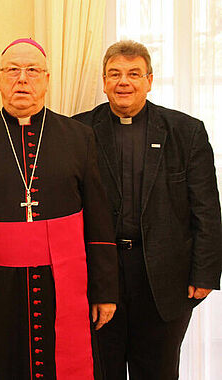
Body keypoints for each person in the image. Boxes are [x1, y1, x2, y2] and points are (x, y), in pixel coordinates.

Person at [0, 38, 118, 380]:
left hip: (64, 283)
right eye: (12, 70)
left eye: (32, 71)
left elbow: (98, 220)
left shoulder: (79, 137)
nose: (22, 79)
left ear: (47, 79)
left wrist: (105, 291)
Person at [73, 40, 222, 380]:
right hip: (100, 275)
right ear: (104, 80)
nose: (123, 81)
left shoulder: (186, 132)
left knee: (158, 371)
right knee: (101, 370)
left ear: (149, 80)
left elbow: (207, 210)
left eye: (133, 74)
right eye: (115, 74)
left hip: (165, 278)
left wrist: (205, 274)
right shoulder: (77, 131)